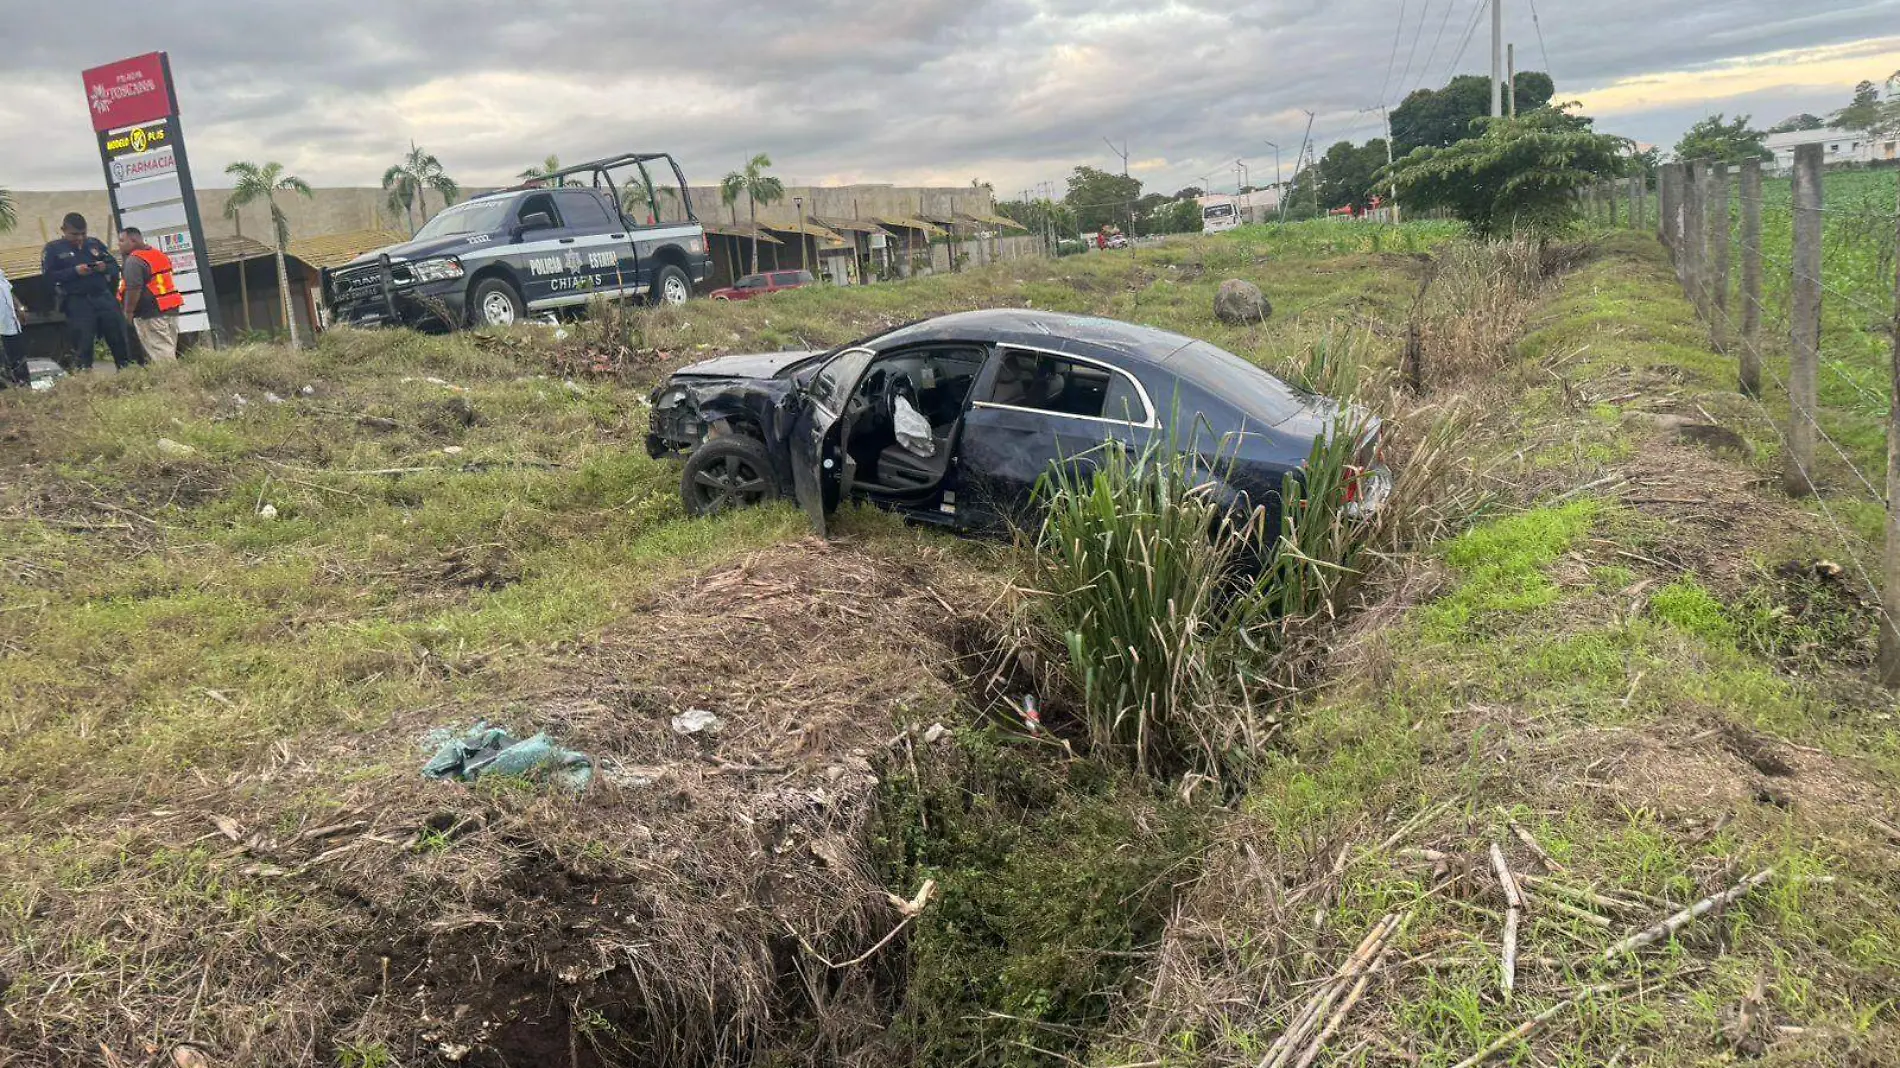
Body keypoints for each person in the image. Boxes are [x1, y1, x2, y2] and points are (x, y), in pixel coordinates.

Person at [40, 212, 140, 371]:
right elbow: (48, 278)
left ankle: (125, 370)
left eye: (83, 234)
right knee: (83, 343)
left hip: (103, 297)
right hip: (78, 301)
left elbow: (115, 266)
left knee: (118, 337)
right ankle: (85, 375)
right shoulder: (53, 249)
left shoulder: (94, 244)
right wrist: (74, 272)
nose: (79, 238)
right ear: (63, 230)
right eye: (74, 234)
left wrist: (103, 267)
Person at [118, 227, 184, 362]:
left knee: (162, 355)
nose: (119, 244)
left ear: (133, 240)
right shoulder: (158, 254)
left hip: (151, 313)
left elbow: (133, 288)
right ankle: (174, 379)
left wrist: (128, 312)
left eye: (122, 240)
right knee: (167, 349)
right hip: (171, 308)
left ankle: (175, 381)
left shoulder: (134, 260)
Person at [0, 264, 28, 389]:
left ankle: (24, 387)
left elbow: (9, 292)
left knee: (19, 360)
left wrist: (20, 308)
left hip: (11, 324)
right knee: (4, 363)